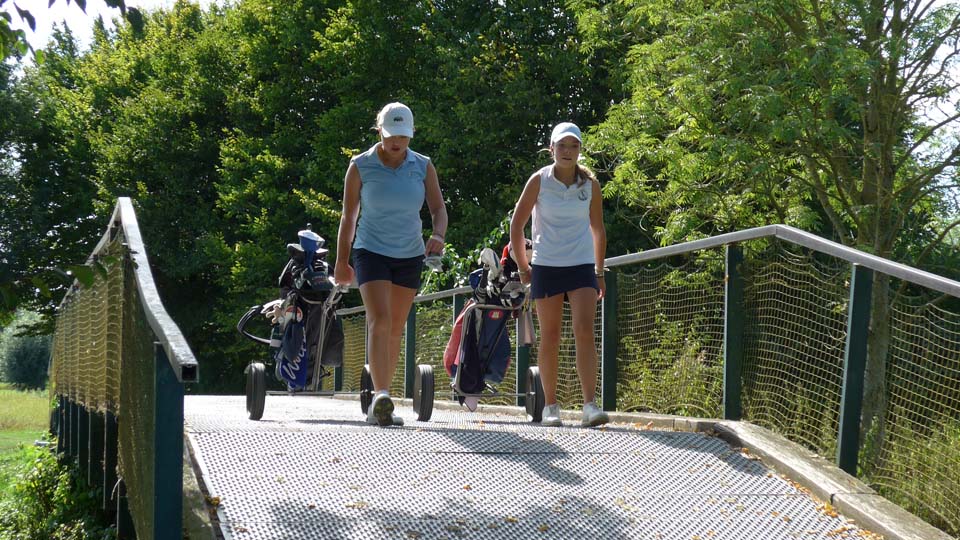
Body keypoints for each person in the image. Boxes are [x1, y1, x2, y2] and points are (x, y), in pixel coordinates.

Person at [334, 102, 448, 426]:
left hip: (409, 254)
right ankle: (382, 396)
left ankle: (383, 395)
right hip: (371, 250)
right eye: (391, 135)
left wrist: (438, 236)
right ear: (379, 131)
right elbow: (349, 216)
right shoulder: (361, 165)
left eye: (404, 136)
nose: (397, 143)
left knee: (396, 328)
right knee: (380, 320)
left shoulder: (423, 166)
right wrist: (342, 261)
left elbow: (438, 209)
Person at [509, 121, 609, 427]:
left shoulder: (590, 185)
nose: (568, 152)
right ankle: (551, 406)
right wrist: (524, 267)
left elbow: (598, 230)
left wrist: (599, 270)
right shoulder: (539, 180)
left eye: (574, 146)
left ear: (580, 150)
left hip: (581, 265)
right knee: (550, 336)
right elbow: (517, 225)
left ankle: (590, 405)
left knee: (584, 331)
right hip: (547, 265)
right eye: (562, 146)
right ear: (551, 149)